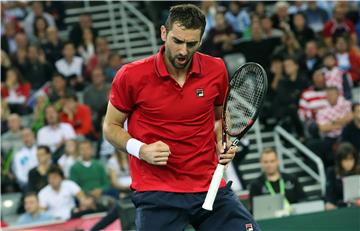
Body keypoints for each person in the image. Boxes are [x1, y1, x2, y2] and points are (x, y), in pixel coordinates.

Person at [103, 4, 259, 231]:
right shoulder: (131, 76)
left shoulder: (216, 69)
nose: (183, 51)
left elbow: (218, 121)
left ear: (201, 41)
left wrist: (221, 142)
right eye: (177, 41)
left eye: (191, 43)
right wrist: (141, 150)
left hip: (210, 186)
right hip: (157, 193)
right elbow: (110, 127)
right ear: (163, 33)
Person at [325, 142, 360, 210]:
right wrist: (330, 203)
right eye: (345, 160)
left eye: (351, 159)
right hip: (339, 207)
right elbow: (329, 194)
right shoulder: (332, 172)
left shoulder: (358, 171)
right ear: (339, 160)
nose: (348, 163)